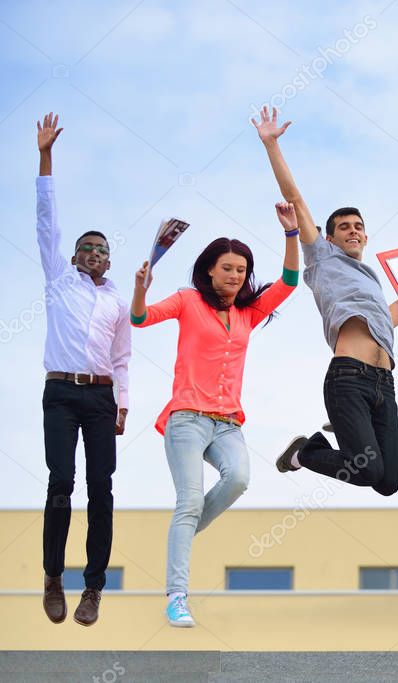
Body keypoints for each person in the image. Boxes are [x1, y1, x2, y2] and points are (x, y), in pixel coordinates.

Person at [250, 107, 398, 495]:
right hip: (348, 377)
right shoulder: (322, 257)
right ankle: (306, 452)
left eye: (359, 227)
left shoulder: (369, 280)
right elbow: (296, 199)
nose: (353, 231)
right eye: (344, 227)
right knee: (367, 471)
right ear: (330, 238)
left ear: (366, 237)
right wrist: (271, 145)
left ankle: (339, 437)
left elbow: (386, 319)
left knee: (389, 482)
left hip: (384, 382)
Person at [131, 202, 300, 627]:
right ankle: (177, 595)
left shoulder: (247, 312)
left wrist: (292, 234)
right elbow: (140, 318)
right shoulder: (188, 301)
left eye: (242, 270)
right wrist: (140, 287)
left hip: (228, 422)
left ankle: (181, 533)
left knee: (240, 479)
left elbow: (290, 281)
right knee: (189, 499)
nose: (235, 276)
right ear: (209, 270)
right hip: (186, 417)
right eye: (227, 268)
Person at [35, 112, 131, 627]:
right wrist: (46, 155)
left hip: (99, 399)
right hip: (60, 394)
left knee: (102, 489)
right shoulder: (59, 281)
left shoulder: (116, 300)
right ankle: (53, 576)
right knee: (60, 483)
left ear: (108, 261)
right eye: (86, 248)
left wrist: (121, 403)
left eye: (102, 250)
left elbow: (123, 357)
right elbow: (46, 219)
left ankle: (93, 588)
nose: (94, 254)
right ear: (74, 256)